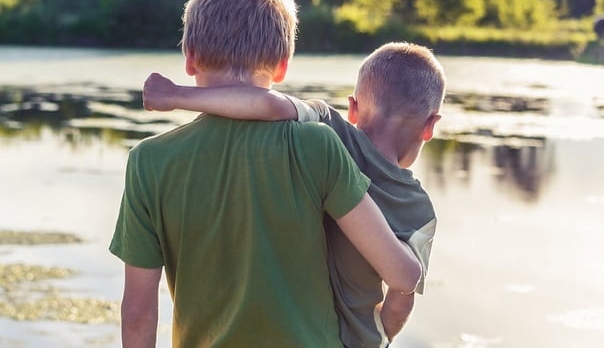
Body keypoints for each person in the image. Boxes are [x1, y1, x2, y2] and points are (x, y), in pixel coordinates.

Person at [110, 0, 421, 348]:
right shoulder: (317, 146)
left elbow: (139, 313)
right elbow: (402, 276)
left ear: (190, 58)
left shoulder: (148, 162)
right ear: (282, 65)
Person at [142, 42, 446, 348]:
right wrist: (380, 334)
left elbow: (269, 105)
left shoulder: (330, 128)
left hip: (293, 325)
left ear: (353, 109)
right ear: (430, 126)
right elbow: (400, 301)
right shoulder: (420, 210)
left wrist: (177, 96)